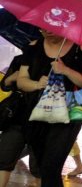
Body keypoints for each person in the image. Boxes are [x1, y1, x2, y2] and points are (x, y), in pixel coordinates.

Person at [17, 30, 82, 187]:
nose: (47, 31)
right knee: (42, 167)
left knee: (51, 166)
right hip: (36, 114)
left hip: (68, 116)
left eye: (52, 27)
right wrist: (36, 84)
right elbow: (21, 81)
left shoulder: (81, 49)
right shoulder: (32, 47)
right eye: (42, 27)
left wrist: (65, 70)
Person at [0, 53, 41, 187]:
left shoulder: (60, 62)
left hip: (44, 119)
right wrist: (13, 77)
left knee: (41, 167)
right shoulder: (20, 59)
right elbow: (5, 85)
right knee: (4, 159)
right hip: (17, 116)